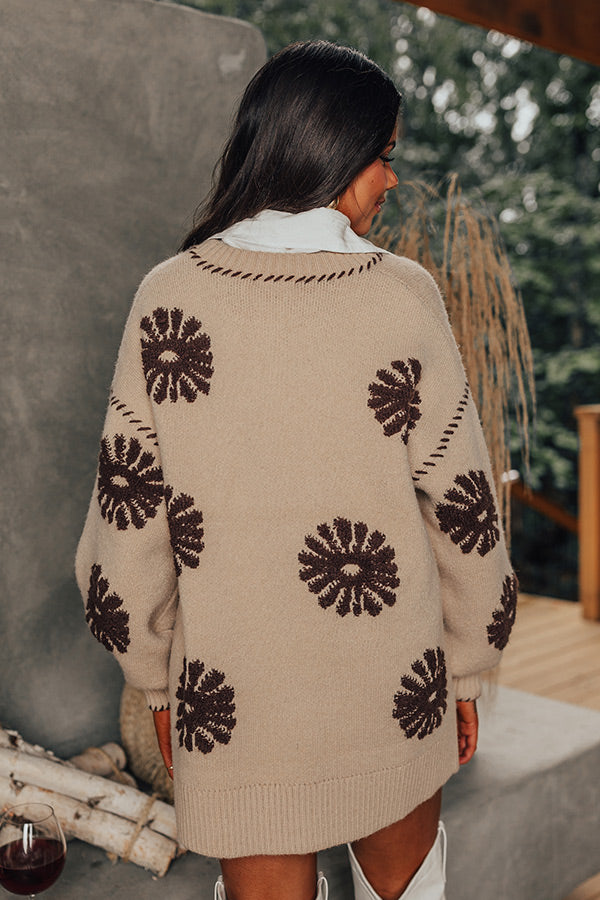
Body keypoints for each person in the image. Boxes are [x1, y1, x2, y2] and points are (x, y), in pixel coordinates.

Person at [76, 40, 516, 900]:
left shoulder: (170, 297)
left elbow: (128, 518)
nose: (392, 180)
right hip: (394, 688)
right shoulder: (401, 295)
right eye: (384, 156)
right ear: (336, 153)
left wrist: (156, 684)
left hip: (236, 709)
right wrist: (468, 665)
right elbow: (462, 507)